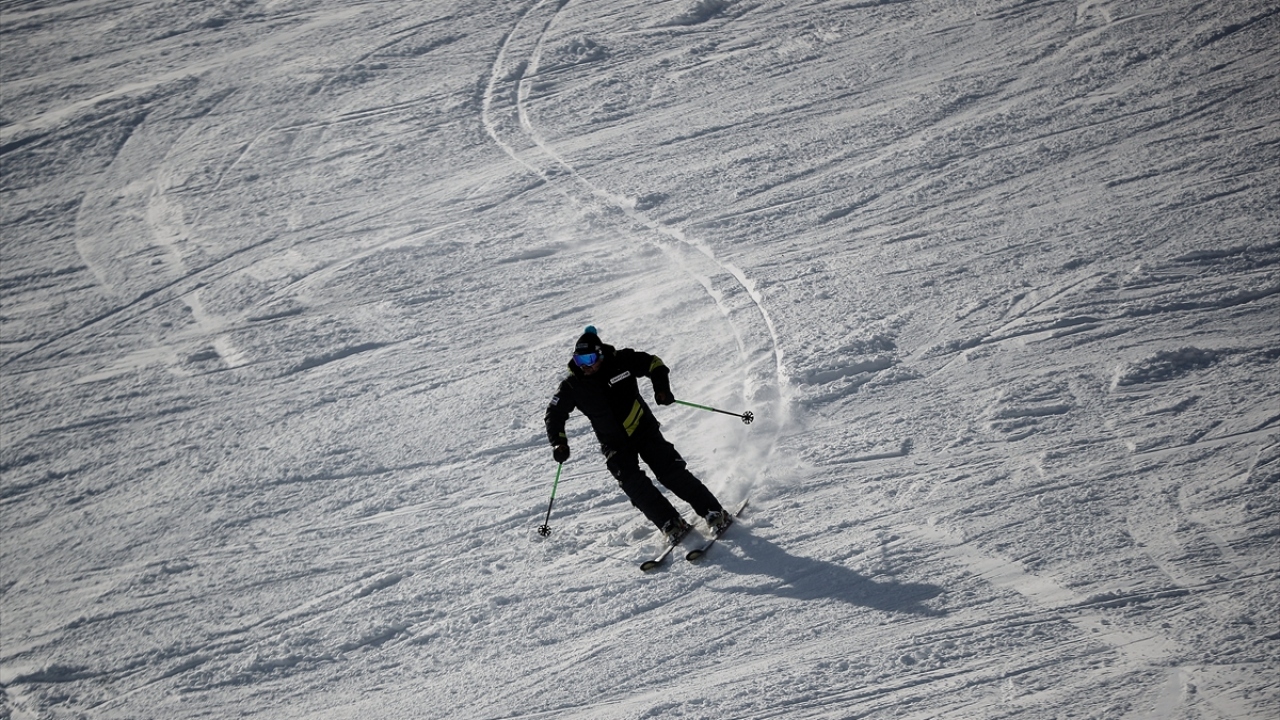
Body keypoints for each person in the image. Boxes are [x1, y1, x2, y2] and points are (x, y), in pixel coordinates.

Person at [545, 326, 729, 544]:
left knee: (669, 471)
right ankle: (670, 522)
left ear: (600, 354)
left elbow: (654, 363)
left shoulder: (621, 360)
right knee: (632, 483)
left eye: (590, 358)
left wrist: (662, 388)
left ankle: (713, 512)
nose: (585, 366)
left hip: (643, 429)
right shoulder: (573, 385)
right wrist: (559, 443)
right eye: (579, 360)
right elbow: (554, 413)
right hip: (614, 443)